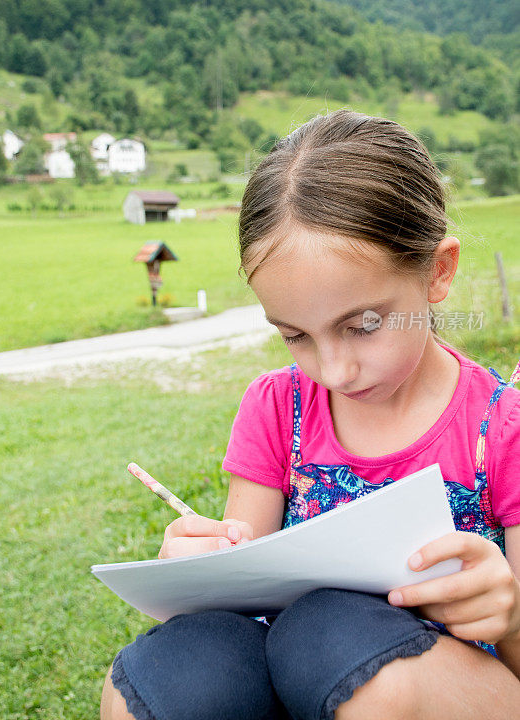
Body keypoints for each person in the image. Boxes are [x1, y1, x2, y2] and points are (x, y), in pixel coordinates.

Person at [101, 110, 520, 720]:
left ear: (438, 271)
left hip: (463, 691)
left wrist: (509, 615)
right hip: (305, 682)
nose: (334, 371)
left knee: (336, 640)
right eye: (296, 335)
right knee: (162, 678)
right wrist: (201, 580)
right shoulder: (277, 409)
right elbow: (247, 618)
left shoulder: (503, 426)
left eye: (364, 325)